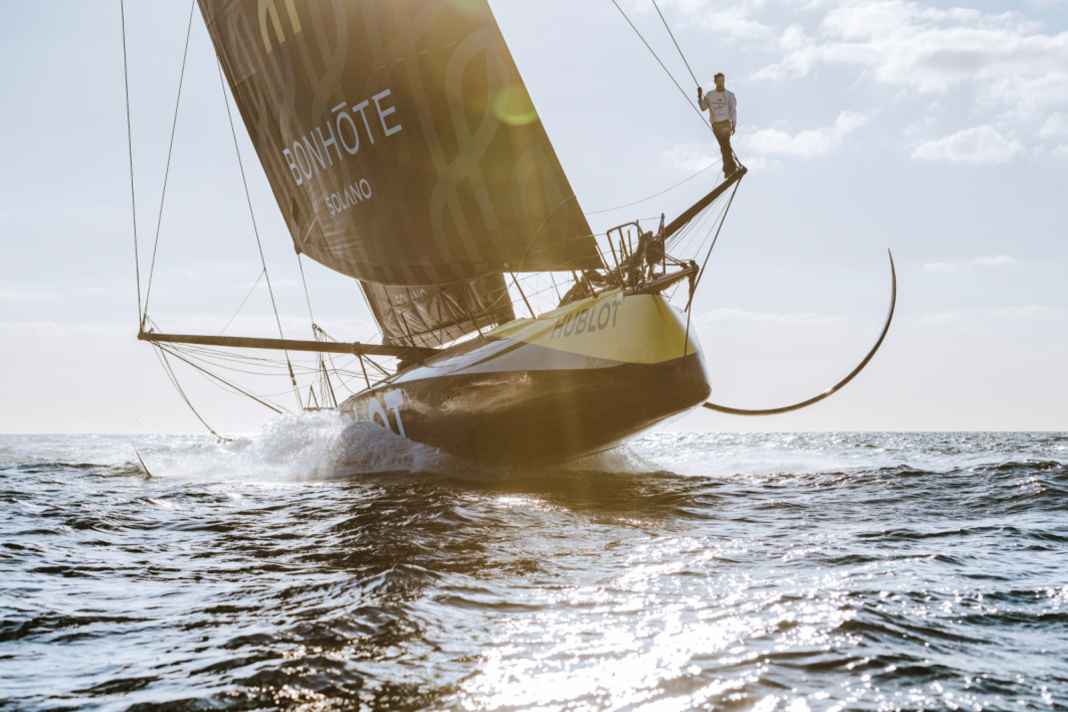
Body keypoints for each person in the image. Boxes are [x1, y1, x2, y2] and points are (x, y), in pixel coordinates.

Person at [698, 72, 738, 176]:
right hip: (716, 125)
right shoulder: (710, 95)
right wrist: (699, 96)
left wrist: (734, 124)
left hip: (725, 123)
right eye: (719, 81)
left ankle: (730, 168)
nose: (721, 83)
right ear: (715, 82)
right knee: (723, 146)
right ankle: (729, 168)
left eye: (723, 81)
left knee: (725, 144)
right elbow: (703, 107)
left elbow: (733, 110)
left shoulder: (729, 95)